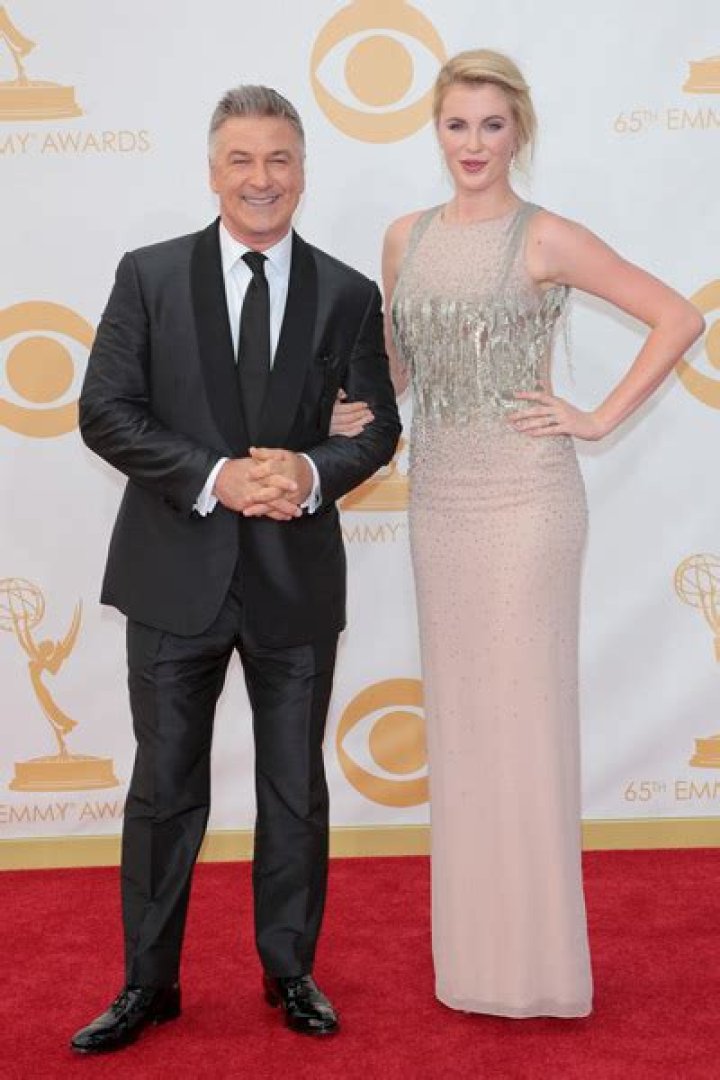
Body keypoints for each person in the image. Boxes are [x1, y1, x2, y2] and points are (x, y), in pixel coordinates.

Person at [335, 49, 704, 1018]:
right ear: (436, 130)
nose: (473, 144)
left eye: (492, 126)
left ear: (519, 133)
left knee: (524, 723)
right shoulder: (405, 238)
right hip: (440, 504)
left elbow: (677, 317)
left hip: (528, 502)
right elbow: (399, 372)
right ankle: (478, 965)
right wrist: (336, 415)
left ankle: (541, 967)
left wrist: (597, 416)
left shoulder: (546, 236)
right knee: (465, 726)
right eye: (457, 124)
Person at [70, 84, 401, 1053]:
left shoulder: (348, 293)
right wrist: (218, 477)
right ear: (213, 171)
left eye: (280, 159)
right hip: (174, 575)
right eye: (242, 160)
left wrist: (309, 471)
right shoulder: (149, 276)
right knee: (164, 788)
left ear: (303, 170)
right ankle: (148, 984)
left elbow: (377, 428)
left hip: (295, 581)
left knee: (294, 786)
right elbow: (105, 411)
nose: (262, 179)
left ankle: (290, 970)